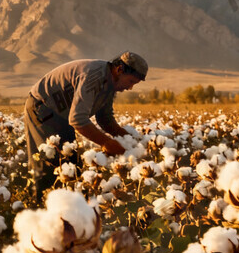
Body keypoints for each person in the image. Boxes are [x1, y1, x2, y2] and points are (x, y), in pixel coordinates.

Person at [24, 52, 148, 199]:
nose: (130, 88)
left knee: (71, 166)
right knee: (49, 167)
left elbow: (105, 118)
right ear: (119, 70)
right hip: (42, 109)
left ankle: (68, 212)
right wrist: (107, 143)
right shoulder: (94, 76)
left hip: (62, 114)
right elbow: (77, 119)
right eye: (131, 81)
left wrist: (130, 140)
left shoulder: (109, 83)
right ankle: (38, 206)